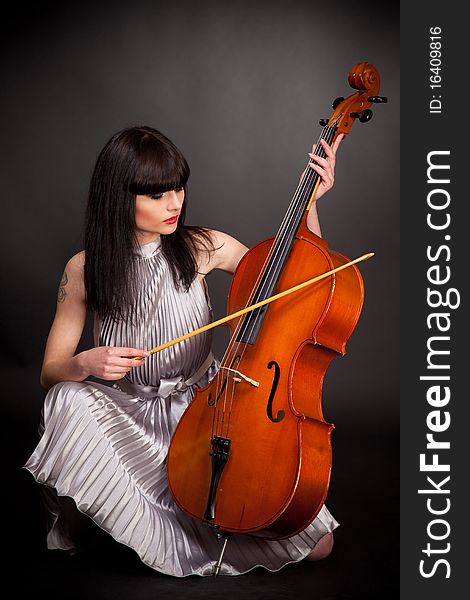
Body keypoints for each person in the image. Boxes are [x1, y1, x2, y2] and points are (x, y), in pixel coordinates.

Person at [24, 125, 343, 577]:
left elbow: (293, 280)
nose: (175, 203)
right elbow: (50, 372)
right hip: (128, 420)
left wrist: (310, 203)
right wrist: (84, 362)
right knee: (65, 399)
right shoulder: (85, 268)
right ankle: (132, 519)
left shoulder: (201, 246)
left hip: (207, 415)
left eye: (178, 188)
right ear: (118, 196)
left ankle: (161, 526)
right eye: (156, 195)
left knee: (320, 546)